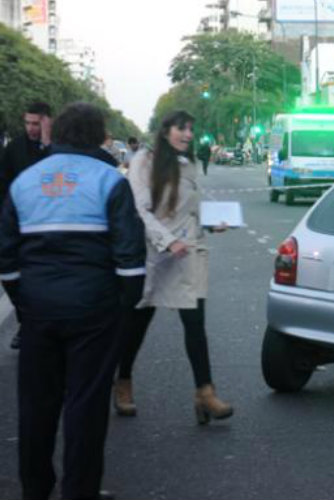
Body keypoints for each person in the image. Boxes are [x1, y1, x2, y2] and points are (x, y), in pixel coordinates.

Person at [0, 102, 145, 500]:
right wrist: (120, 307)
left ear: (56, 134)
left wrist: (24, 304)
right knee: (86, 406)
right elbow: (131, 260)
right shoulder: (111, 181)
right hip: (94, 310)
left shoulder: (25, 181)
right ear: (99, 137)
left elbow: (6, 260)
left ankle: (36, 489)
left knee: (36, 407)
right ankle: (80, 490)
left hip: (38, 311)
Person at [117, 110, 233, 423]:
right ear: (166, 130)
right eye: (182, 129)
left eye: (191, 129)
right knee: (137, 326)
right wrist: (167, 241)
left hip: (189, 253)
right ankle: (123, 381)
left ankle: (204, 393)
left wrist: (212, 223)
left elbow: (190, 212)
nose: (187, 135)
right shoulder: (144, 161)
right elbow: (141, 210)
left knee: (195, 325)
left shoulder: (187, 163)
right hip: (156, 256)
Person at [0, 102, 52, 350]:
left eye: (36, 124)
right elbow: (2, 184)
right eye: (27, 123)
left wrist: (48, 144)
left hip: (50, 227)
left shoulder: (58, 148)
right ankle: (24, 323)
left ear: (47, 122)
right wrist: (2, 217)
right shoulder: (15, 148)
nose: (31, 129)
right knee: (14, 277)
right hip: (21, 226)